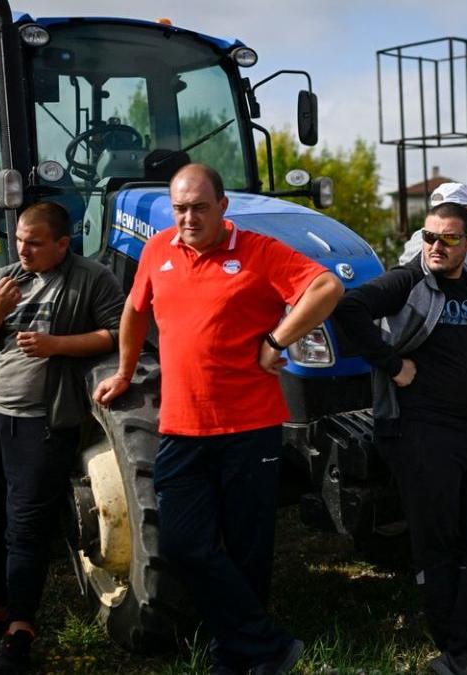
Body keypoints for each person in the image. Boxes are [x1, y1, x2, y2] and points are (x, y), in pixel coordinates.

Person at [92, 164, 343, 675]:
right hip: (182, 426)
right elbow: (135, 311)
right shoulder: (158, 250)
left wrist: (277, 340)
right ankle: (268, 643)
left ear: (222, 207)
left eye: (199, 207)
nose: (188, 218)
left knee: (249, 548)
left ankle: (236, 652)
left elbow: (325, 288)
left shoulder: (258, 250)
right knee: (183, 543)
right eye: (181, 207)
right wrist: (123, 371)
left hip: (250, 426)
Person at [333, 191, 467, 675]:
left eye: (449, 238)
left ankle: (466, 649)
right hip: (420, 431)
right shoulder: (409, 280)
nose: (436, 246)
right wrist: (391, 364)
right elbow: (348, 309)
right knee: (439, 543)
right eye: (430, 236)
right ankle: (457, 653)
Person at [0, 201, 125, 671]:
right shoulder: (1, 279)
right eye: (18, 239)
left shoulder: (91, 278)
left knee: (26, 525)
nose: (22, 249)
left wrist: (57, 346)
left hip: (42, 420)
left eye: (34, 242)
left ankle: (20, 629)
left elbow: (118, 334)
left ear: (62, 244)